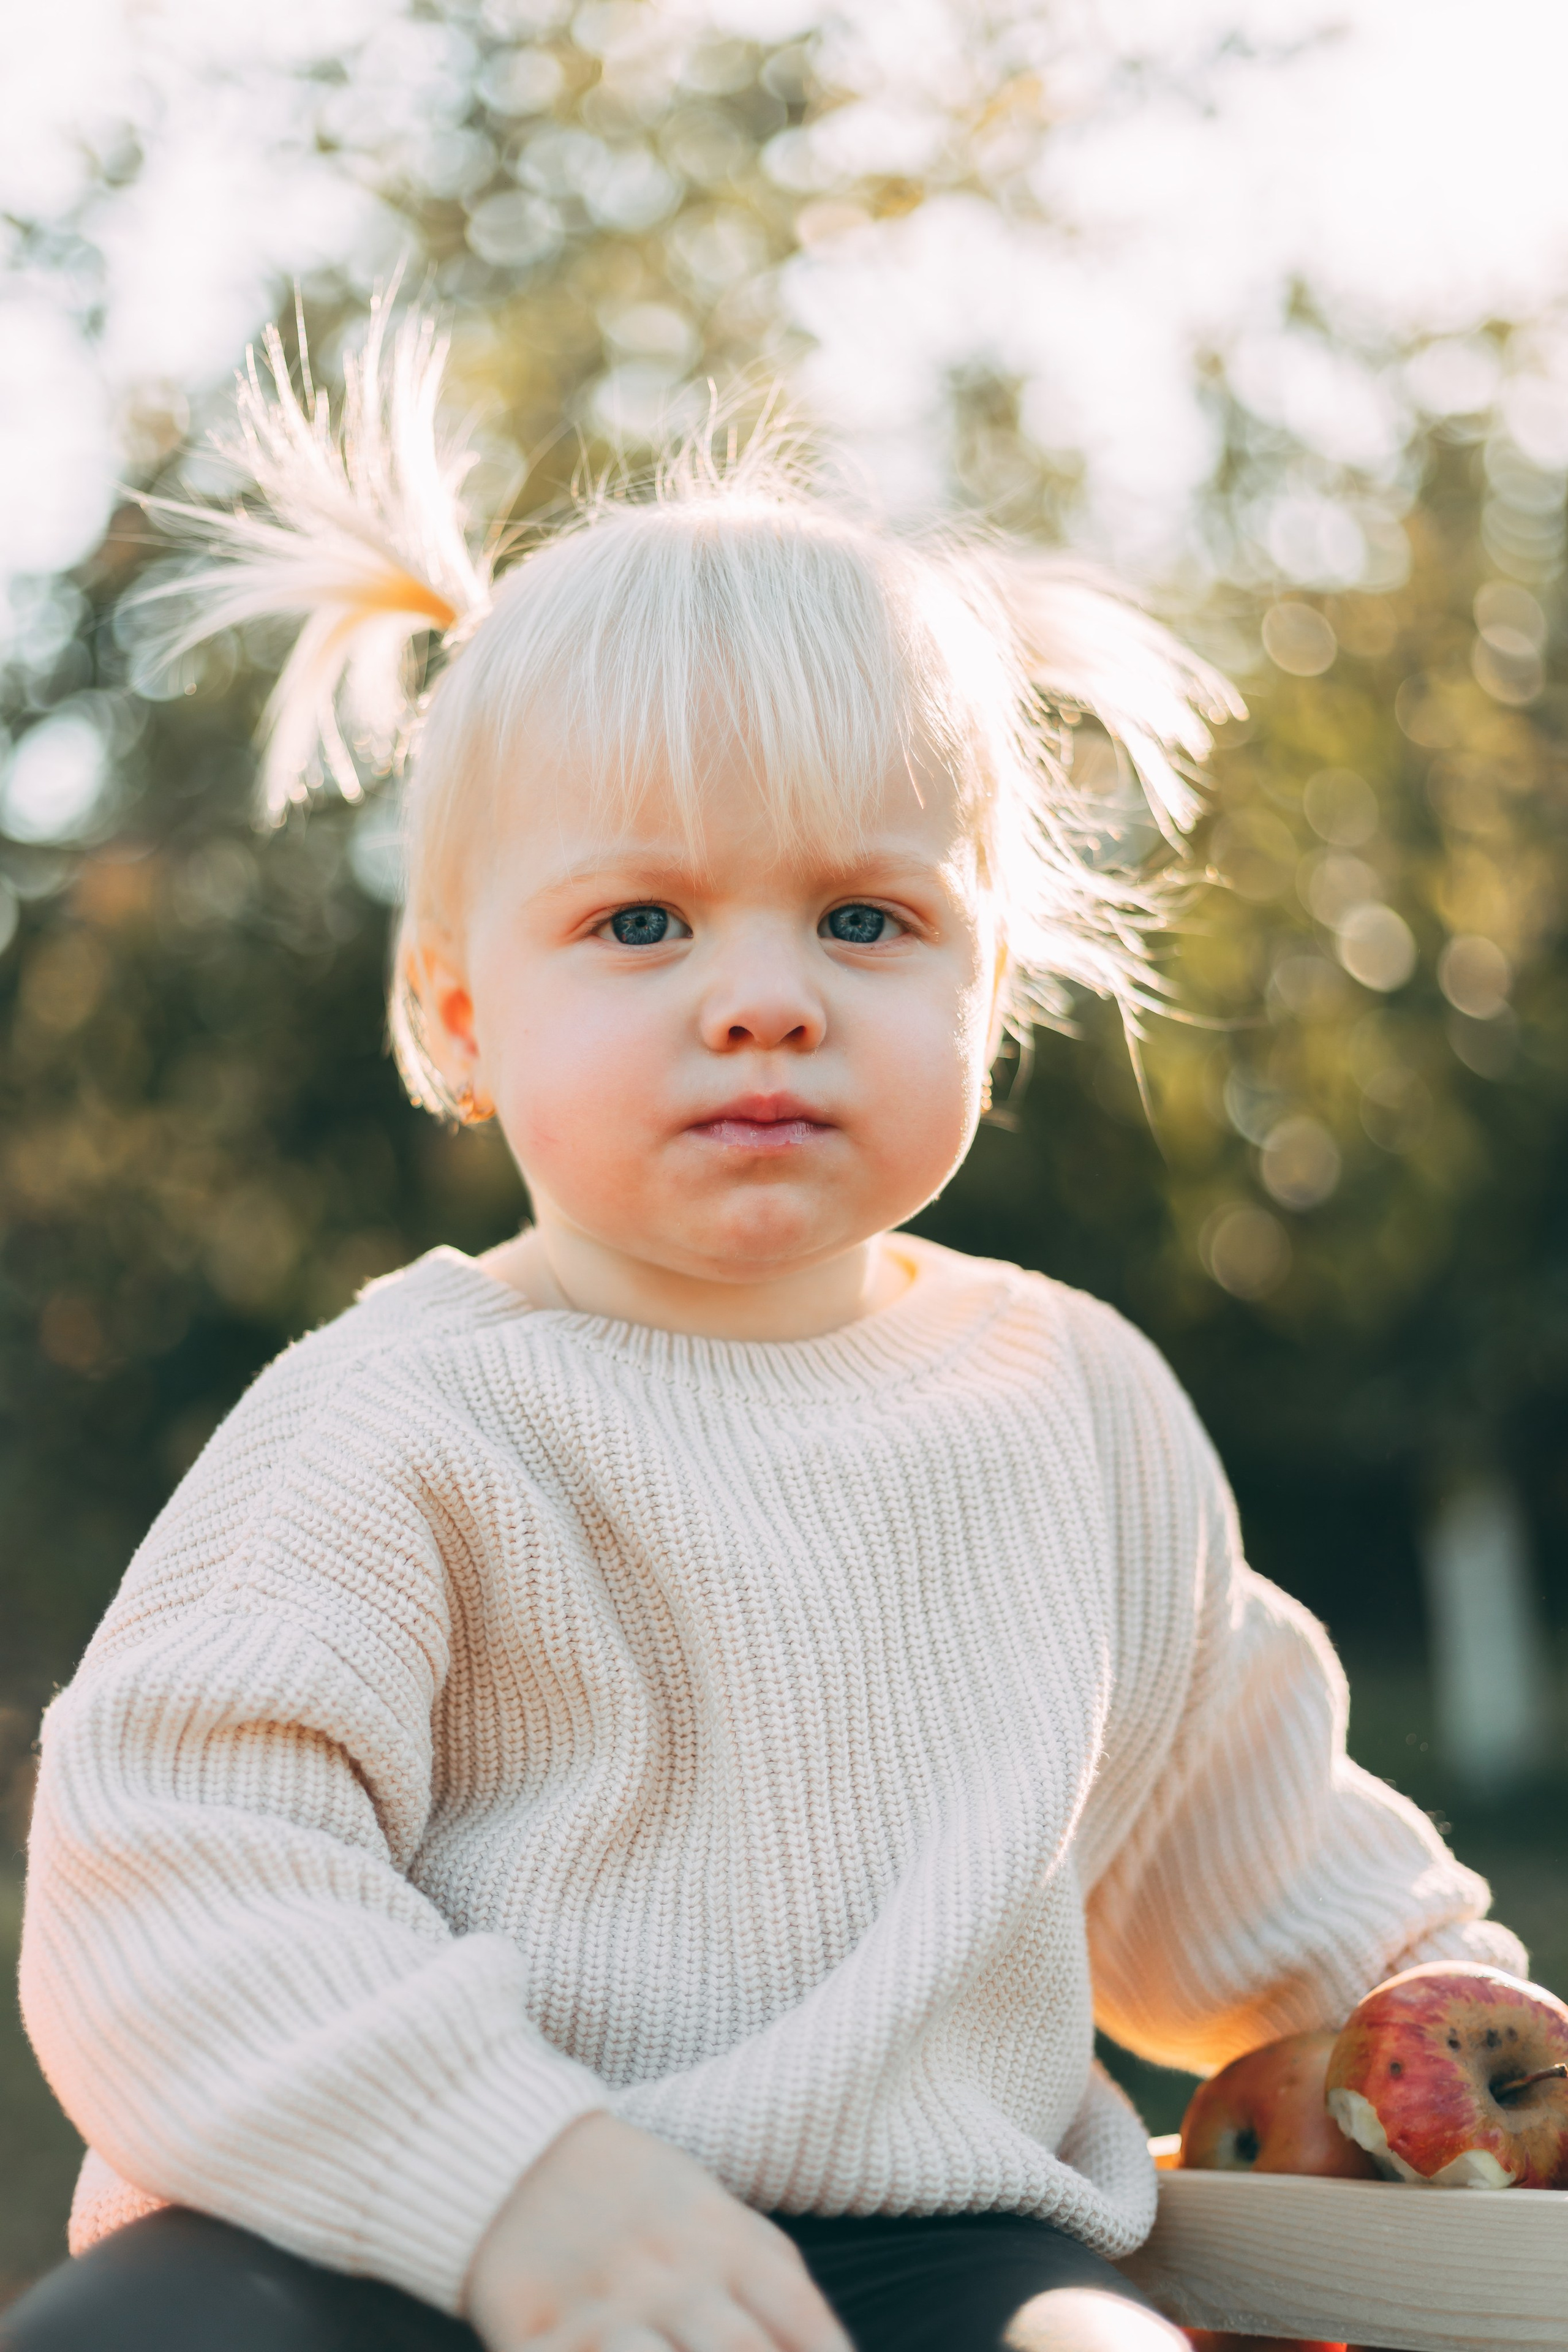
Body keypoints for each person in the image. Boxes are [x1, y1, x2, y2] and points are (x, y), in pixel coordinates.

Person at [7, 301, 1524, 2352]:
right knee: (137, 2341)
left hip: (931, 2251)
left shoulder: (1069, 1402)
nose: (763, 996)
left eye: (865, 919)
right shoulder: (391, 1423)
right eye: (642, 922)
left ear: (991, 981)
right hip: (413, 2225)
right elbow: (175, 1872)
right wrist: (512, 2178)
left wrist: (1437, 1997)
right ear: (462, 1012)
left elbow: (1237, 1837)